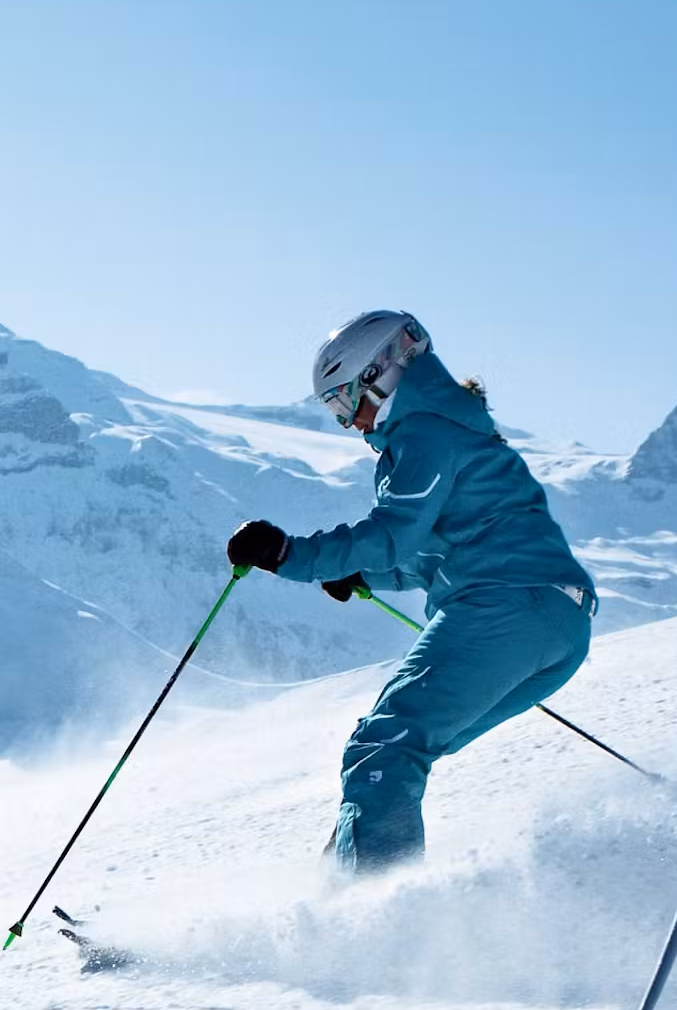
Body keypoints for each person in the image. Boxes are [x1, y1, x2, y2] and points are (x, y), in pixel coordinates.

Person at [224, 311, 598, 871]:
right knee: (390, 749)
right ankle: (338, 899)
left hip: (505, 607)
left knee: (385, 750)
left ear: (380, 374)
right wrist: (360, 575)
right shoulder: (452, 426)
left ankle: (374, 926)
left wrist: (290, 556)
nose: (348, 423)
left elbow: (395, 535)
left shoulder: (424, 432)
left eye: (344, 402)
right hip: (554, 620)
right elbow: (432, 554)